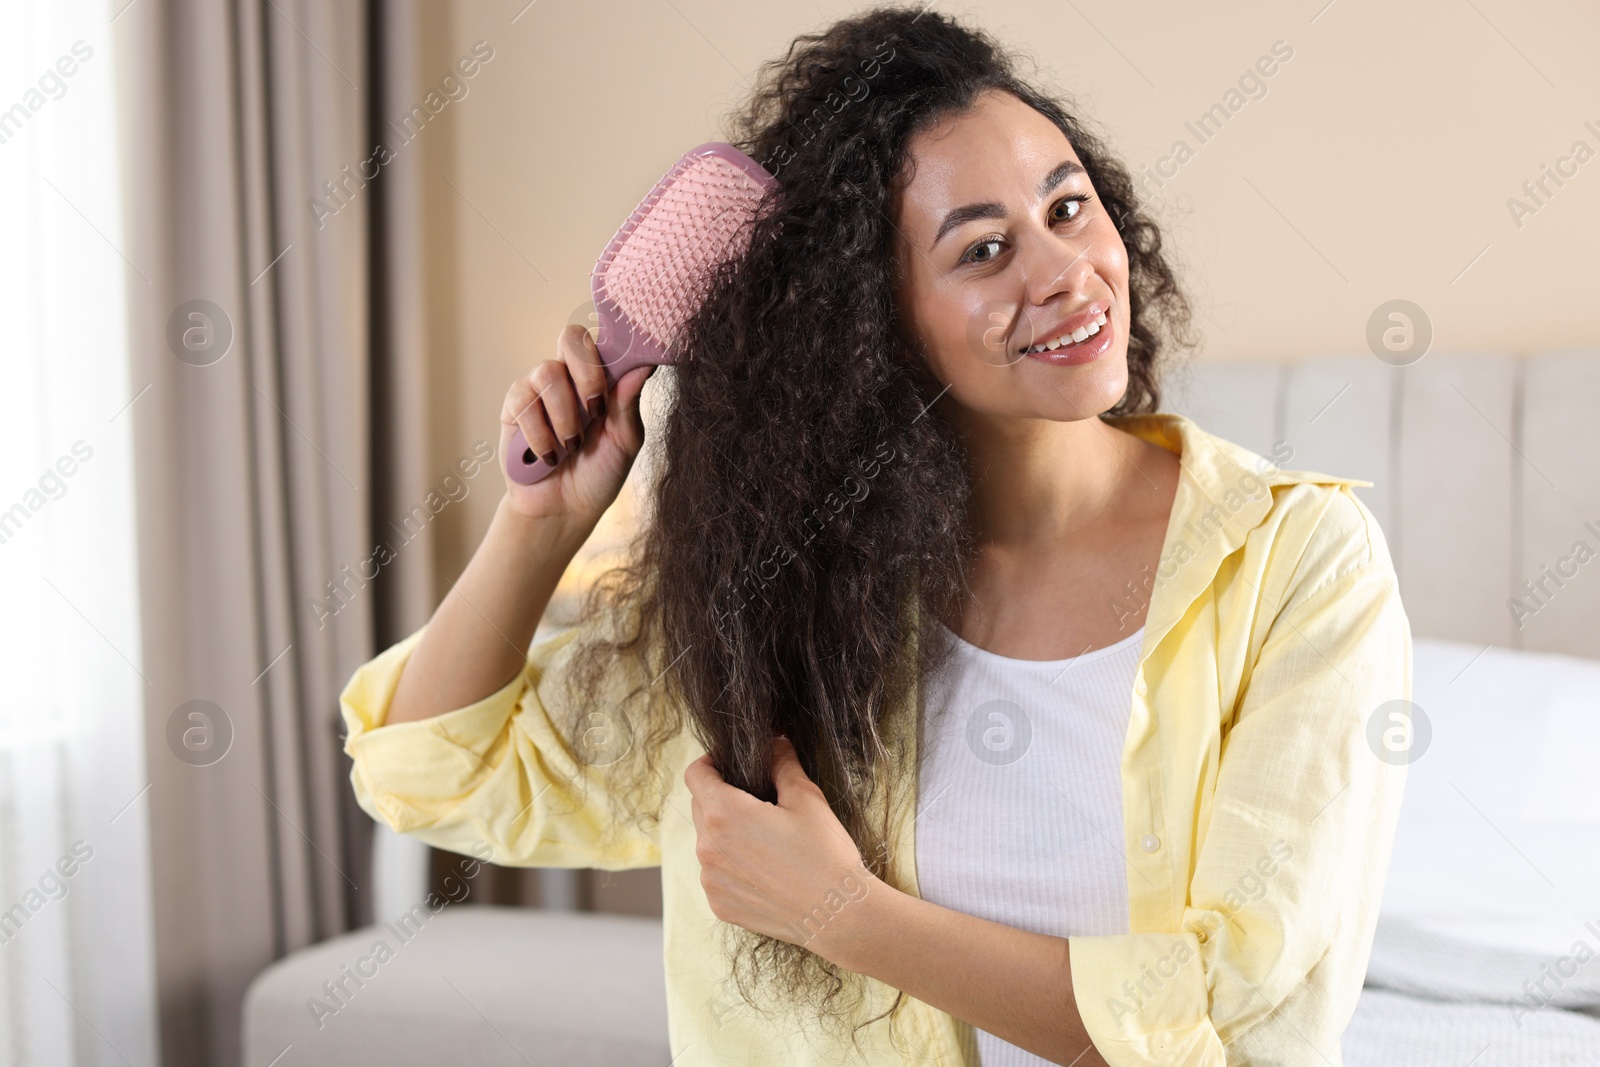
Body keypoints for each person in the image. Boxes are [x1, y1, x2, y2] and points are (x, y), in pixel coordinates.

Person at [338, 6, 1412, 1065]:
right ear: (871, 321)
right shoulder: (784, 593)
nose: (1065, 272)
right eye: (984, 248)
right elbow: (437, 773)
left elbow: (1231, 1018)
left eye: (1068, 206)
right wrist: (541, 527)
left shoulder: (1298, 563)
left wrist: (842, 910)